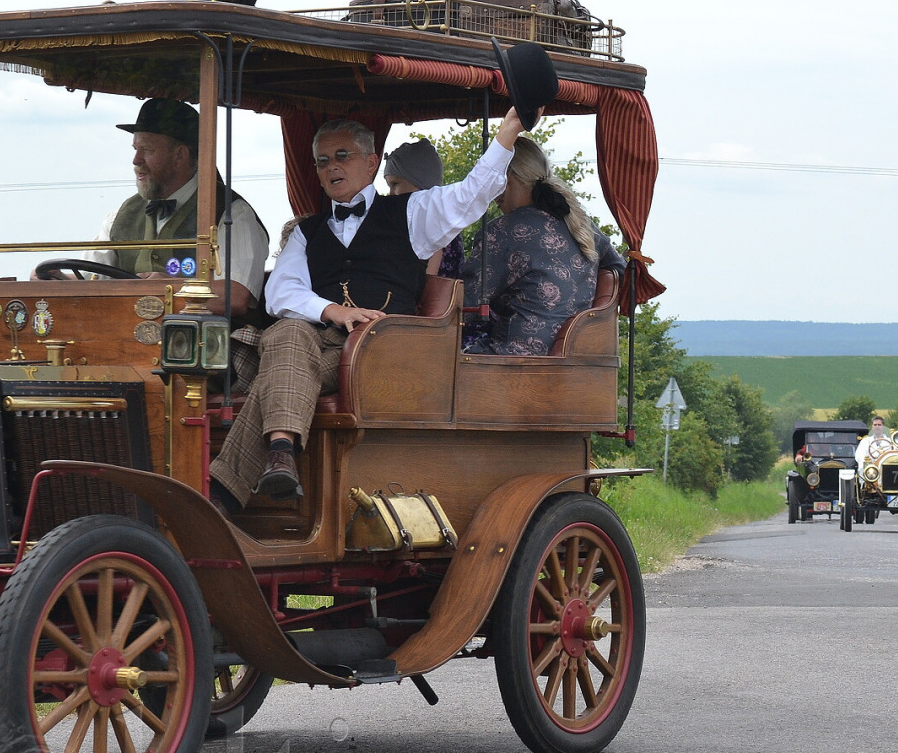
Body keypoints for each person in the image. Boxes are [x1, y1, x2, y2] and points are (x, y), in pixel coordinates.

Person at [210, 110, 527, 511]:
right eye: (323, 161)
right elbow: (279, 292)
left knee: (281, 355)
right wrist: (332, 310)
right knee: (287, 332)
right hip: (316, 345)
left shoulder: (411, 212)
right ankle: (280, 455)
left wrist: (507, 133)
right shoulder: (306, 231)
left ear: (371, 162)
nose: (332, 167)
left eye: (342, 156)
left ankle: (226, 490)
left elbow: (470, 195)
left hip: (380, 349)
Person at [34, 98, 269, 318]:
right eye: (135, 149)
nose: (136, 160)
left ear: (179, 155)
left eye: (147, 150)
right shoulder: (120, 216)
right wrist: (57, 280)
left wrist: (169, 288)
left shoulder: (231, 214)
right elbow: (91, 280)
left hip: (202, 341)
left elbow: (235, 296)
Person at [459, 136, 613, 355]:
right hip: (576, 356)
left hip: (514, 358)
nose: (492, 194)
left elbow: (464, 304)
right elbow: (618, 267)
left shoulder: (502, 231)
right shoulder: (582, 227)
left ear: (508, 176)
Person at [381, 139, 461, 277]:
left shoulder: (430, 225)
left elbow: (424, 282)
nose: (391, 194)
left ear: (420, 183)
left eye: (395, 184)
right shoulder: (438, 219)